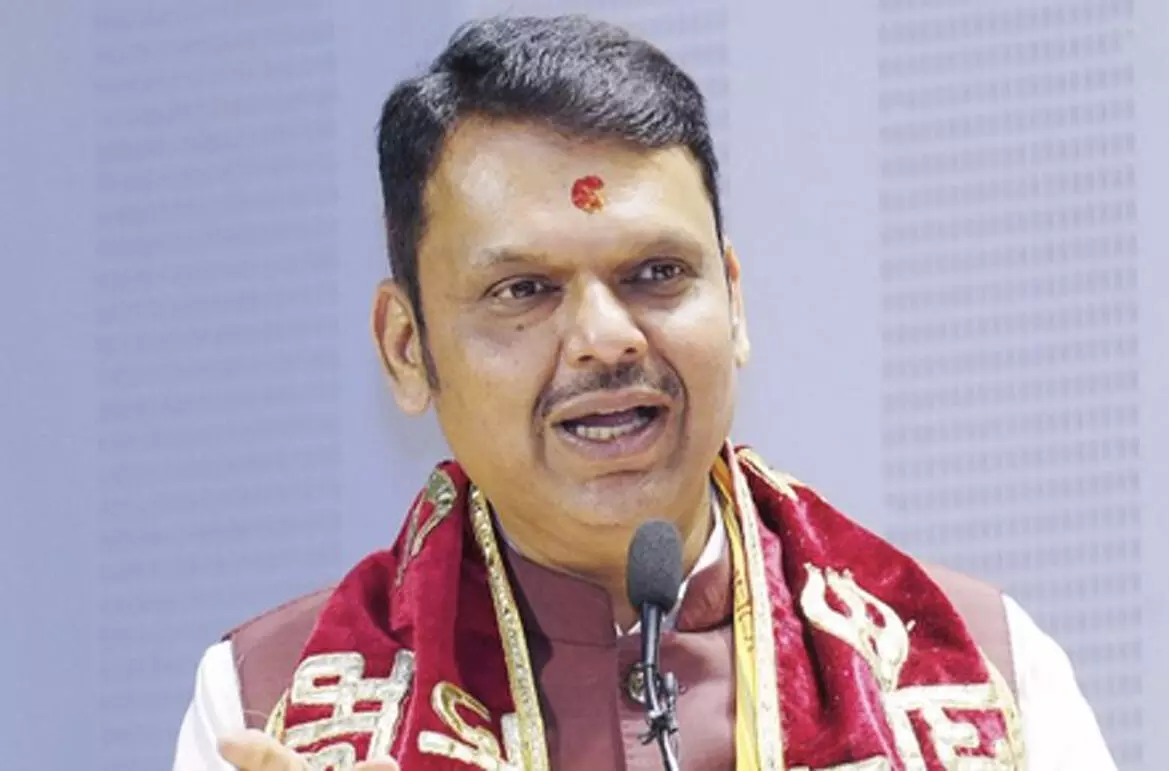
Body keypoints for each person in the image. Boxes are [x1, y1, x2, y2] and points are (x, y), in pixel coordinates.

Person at [173, 14, 1117, 771]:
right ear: (407, 347)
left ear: (734, 301)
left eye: (658, 273)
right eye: (524, 290)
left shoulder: (986, 674)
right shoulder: (265, 704)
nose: (606, 337)